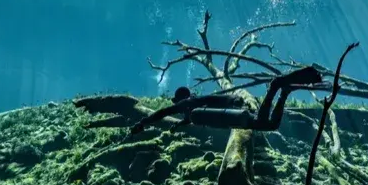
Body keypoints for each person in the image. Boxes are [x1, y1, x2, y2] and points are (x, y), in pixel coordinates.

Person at [130, 66, 324, 134]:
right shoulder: (193, 106)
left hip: (234, 110)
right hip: (235, 107)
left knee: (260, 123)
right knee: (270, 125)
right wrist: (178, 125)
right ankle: (284, 92)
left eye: (176, 102)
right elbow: (188, 119)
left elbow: (162, 113)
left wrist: (142, 122)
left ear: (181, 98)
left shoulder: (187, 104)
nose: (176, 106)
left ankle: (276, 86)